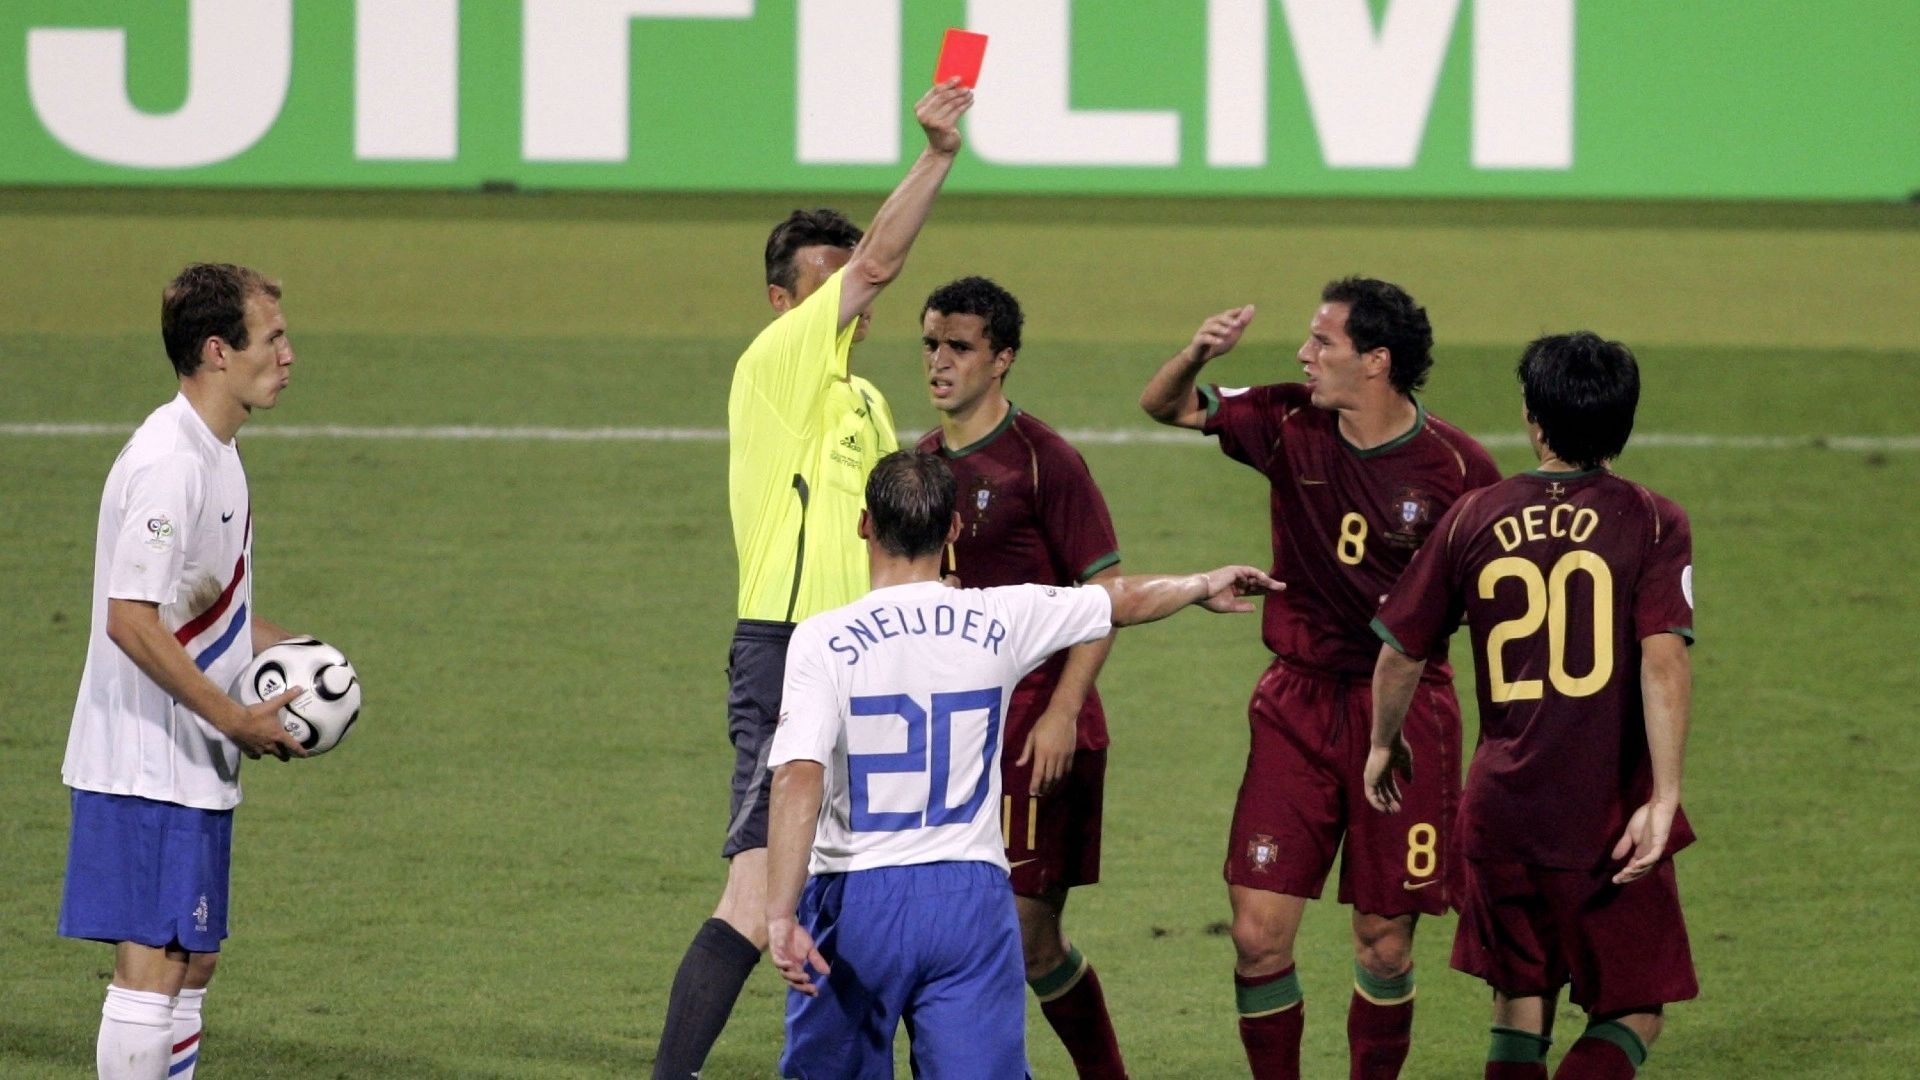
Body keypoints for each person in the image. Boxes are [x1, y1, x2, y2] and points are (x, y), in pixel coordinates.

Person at [765, 450, 1281, 1078]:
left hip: (858, 896)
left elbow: (798, 777)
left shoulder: (823, 639)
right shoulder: (998, 617)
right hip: (971, 901)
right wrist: (1202, 584)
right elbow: (1115, 599)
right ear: (953, 529)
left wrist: (780, 914)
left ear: (865, 524)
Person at [652, 79, 976, 1078]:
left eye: (850, 288)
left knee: (878, 887)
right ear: (783, 302)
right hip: (792, 655)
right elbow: (882, 261)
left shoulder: (868, 401)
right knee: (754, 899)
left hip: (881, 656)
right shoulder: (779, 364)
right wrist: (936, 157)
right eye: (833, 287)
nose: (858, 302)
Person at [1139, 280, 1501, 1079]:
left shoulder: (1459, 470)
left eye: (1322, 343)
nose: (1303, 356)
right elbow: (1165, 406)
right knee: (1257, 936)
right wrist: (1199, 352)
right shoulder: (1285, 420)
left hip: (1403, 713)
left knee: (1384, 941)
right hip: (1296, 703)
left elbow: (1488, 611)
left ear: (1376, 361)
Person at [1365, 332, 1697, 1080]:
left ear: (1532, 417)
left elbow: (1399, 652)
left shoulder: (1473, 515)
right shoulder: (1652, 520)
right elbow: (1664, 659)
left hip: (1500, 808)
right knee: (1633, 1009)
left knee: (1519, 998)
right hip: (1602, 816)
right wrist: (1665, 797)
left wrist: (1384, 742)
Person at [60, 263, 311, 1080]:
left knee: (191, 958)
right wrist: (235, 716)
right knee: (154, 965)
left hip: (185, 757)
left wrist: (295, 653)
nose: (287, 355)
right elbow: (130, 618)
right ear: (216, 351)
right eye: (271, 339)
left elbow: (201, 608)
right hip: (147, 759)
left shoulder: (218, 451)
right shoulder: (173, 463)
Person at [913, 276, 1129, 1077]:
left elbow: (1103, 595)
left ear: (1001, 359)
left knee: (1027, 936)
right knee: (955, 927)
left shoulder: (1044, 462)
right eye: (931, 344)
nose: (939, 361)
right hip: (957, 725)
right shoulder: (923, 465)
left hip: (1037, 720)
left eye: (959, 347)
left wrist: (1065, 710)